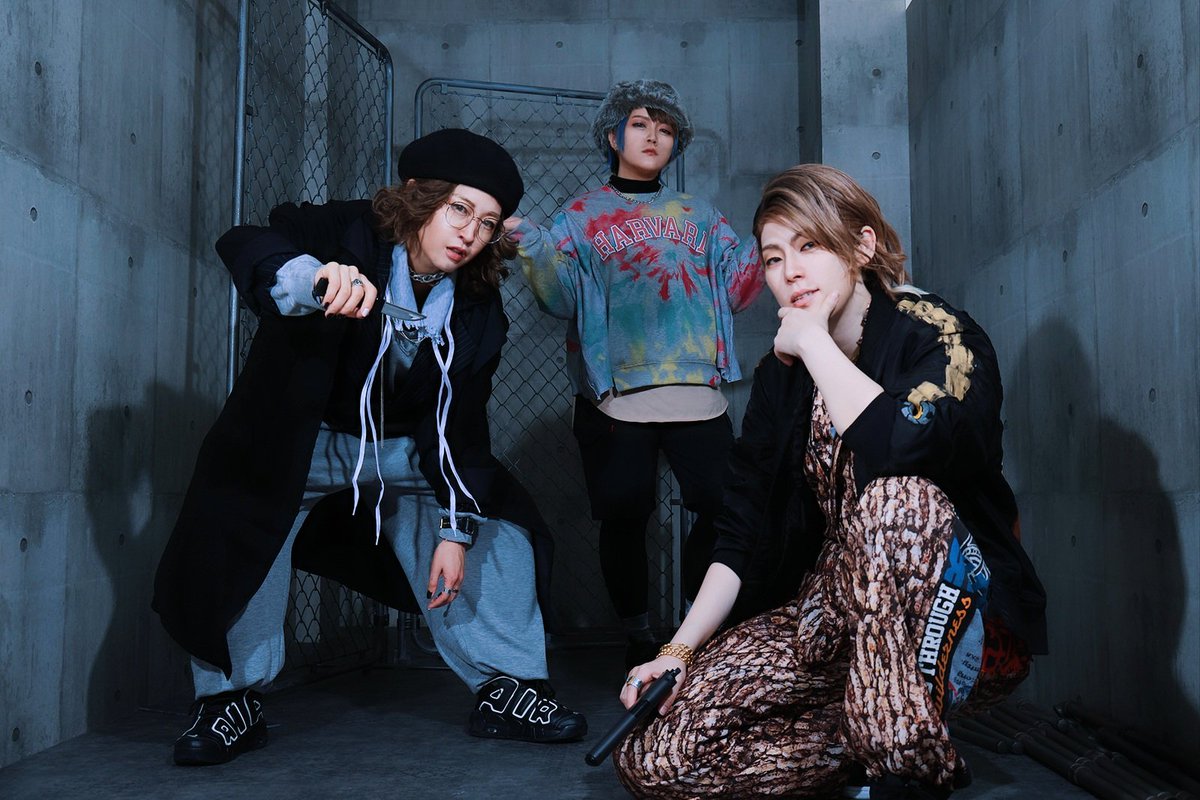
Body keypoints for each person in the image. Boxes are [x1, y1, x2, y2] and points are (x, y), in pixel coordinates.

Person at [153, 128, 586, 767]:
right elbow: (246, 241)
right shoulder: (344, 231)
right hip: (297, 442)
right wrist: (311, 277)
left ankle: (506, 688)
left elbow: (463, 428)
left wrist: (456, 530)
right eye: (459, 209)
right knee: (234, 519)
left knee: (498, 525)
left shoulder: (477, 305)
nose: (469, 233)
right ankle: (228, 700)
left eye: (487, 223)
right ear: (419, 195)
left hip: (403, 453)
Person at [613, 164, 1047, 799]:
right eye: (773, 257)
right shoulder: (780, 377)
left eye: (810, 245)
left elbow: (903, 447)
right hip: (833, 615)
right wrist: (675, 653)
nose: (790, 271)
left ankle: (905, 768)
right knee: (656, 757)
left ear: (861, 246)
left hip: (959, 616)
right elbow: (741, 530)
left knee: (895, 501)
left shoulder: (939, 335)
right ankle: (866, 741)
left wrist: (815, 345)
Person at [507, 80, 764, 668]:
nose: (654, 137)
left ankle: (698, 626)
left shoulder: (700, 215)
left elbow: (739, 289)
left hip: (697, 393)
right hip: (615, 397)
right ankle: (639, 635)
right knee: (625, 519)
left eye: (666, 130)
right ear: (612, 135)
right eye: (642, 125)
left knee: (724, 507)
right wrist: (531, 245)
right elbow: (558, 300)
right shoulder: (581, 216)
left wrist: (774, 237)